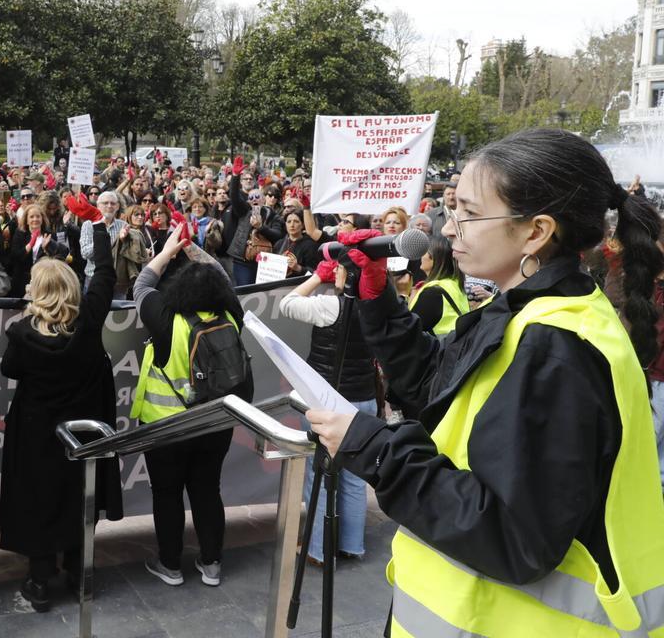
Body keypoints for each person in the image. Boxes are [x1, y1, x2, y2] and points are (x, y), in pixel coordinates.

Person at [306, 128, 664, 636]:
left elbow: (515, 535)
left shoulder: (554, 346)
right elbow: (439, 379)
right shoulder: (529, 309)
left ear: (535, 231)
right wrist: (378, 297)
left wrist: (378, 450)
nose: (450, 230)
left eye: (469, 214)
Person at [0, 222, 124, 611]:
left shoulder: (22, 334)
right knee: (79, 497)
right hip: (82, 433)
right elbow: (105, 273)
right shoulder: (88, 321)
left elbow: (10, 370)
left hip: (38, 435)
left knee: (40, 501)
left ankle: (39, 582)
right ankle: (77, 572)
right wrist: (97, 235)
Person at [130, 223, 255, 587]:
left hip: (166, 428)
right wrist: (195, 251)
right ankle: (211, 563)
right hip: (215, 423)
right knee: (206, 490)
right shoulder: (232, 316)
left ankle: (169, 565)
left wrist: (170, 250)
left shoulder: (166, 321)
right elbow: (224, 281)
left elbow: (142, 285)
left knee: (167, 495)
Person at [279, 259, 379, 566]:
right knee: (353, 476)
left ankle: (319, 550)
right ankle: (351, 544)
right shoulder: (379, 308)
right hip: (364, 399)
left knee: (320, 474)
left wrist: (316, 277)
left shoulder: (329, 306)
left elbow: (288, 303)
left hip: (328, 403)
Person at [408, 233, 469, 336]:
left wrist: (403, 293)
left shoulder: (433, 292)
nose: (420, 256)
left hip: (441, 349)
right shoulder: (453, 283)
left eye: (424, 252)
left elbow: (409, 330)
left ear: (433, 257)